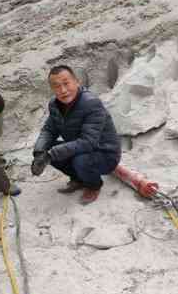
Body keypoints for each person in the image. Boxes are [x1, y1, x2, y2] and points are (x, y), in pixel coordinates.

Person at [31, 65, 121, 204]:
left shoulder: (91, 103)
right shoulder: (55, 105)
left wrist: (51, 154)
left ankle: (94, 185)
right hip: (79, 148)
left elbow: (88, 142)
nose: (63, 90)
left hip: (105, 153)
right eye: (57, 86)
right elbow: (49, 130)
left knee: (79, 160)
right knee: (49, 151)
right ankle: (79, 179)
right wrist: (39, 152)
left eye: (66, 83)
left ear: (77, 82)